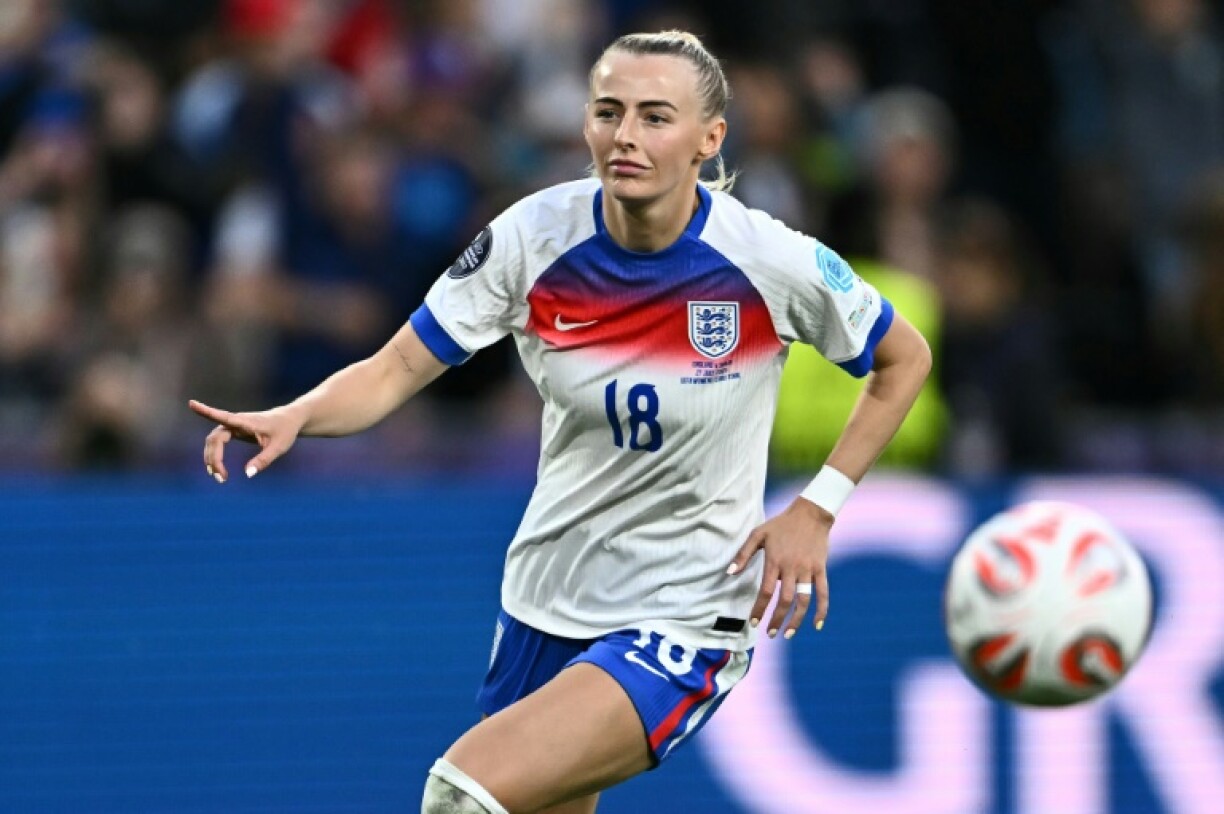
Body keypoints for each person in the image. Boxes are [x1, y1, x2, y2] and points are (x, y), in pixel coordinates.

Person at [189, 30, 931, 814]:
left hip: (685, 612)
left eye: (655, 117)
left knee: (462, 794)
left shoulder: (765, 260)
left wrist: (817, 507)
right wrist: (296, 415)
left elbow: (902, 358)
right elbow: (394, 370)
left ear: (709, 140)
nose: (626, 137)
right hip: (545, 601)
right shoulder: (533, 239)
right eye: (609, 112)